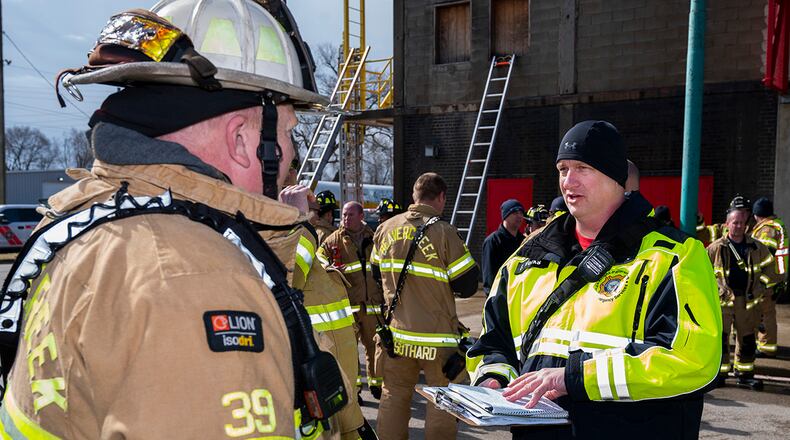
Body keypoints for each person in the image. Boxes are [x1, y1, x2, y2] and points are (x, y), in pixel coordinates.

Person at [0, 3, 350, 438]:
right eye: (287, 132)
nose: (292, 154)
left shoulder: (80, 220)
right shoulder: (193, 278)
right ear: (242, 139)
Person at [468, 121, 721, 439]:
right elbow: (493, 343)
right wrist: (493, 378)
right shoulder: (525, 258)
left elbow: (693, 359)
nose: (568, 181)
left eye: (582, 168)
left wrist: (571, 378)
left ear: (616, 178)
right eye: (562, 168)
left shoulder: (674, 256)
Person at [371, 172, 479, 440]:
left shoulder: (385, 229)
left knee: (394, 394)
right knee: (442, 398)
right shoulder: (444, 231)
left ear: (414, 196)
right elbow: (467, 285)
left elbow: (376, 273)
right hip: (437, 339)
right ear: (441, 197)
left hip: (396, 336)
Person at [317, 202, 385, 401]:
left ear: (361, 215)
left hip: (371, 305)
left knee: (375, 347)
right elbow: (318, 258)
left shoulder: (373, 237)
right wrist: (330, 267)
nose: (346, 219)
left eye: (350, 215)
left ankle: (376, 385)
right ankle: (353, 391)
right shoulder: (333, 240)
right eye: (344, 215)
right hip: (348, 306)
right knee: (349, 351)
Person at [707, 207, 779, 389]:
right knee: (721, 339)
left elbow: (770, 270)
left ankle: (745, 373)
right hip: (722, 302)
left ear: (746, 225)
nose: (739, 226)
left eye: (742, 223)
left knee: (747, 338)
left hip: (747, 301)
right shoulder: (715, 249)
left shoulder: (757, 247)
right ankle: (720, 374)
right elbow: (703, 274)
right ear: (727, 225)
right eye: (735, 222)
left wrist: (760, 287)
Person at [750, 197, 788, 357]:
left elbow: (764, 254)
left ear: (756, 215)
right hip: (776, 276)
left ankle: (766, 347)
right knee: (767, 312)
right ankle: (766, 344)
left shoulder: (767, 230)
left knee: (765, 313)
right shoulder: (776, 225)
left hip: (768, 278)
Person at [482, 199, 526, 295]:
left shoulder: (524, 241)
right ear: (505, 216)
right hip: (500, 296)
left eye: (521, 212)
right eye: (514, 212)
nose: (519, 216)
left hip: (518, 295)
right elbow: (489, 276)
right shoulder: (493, 241)